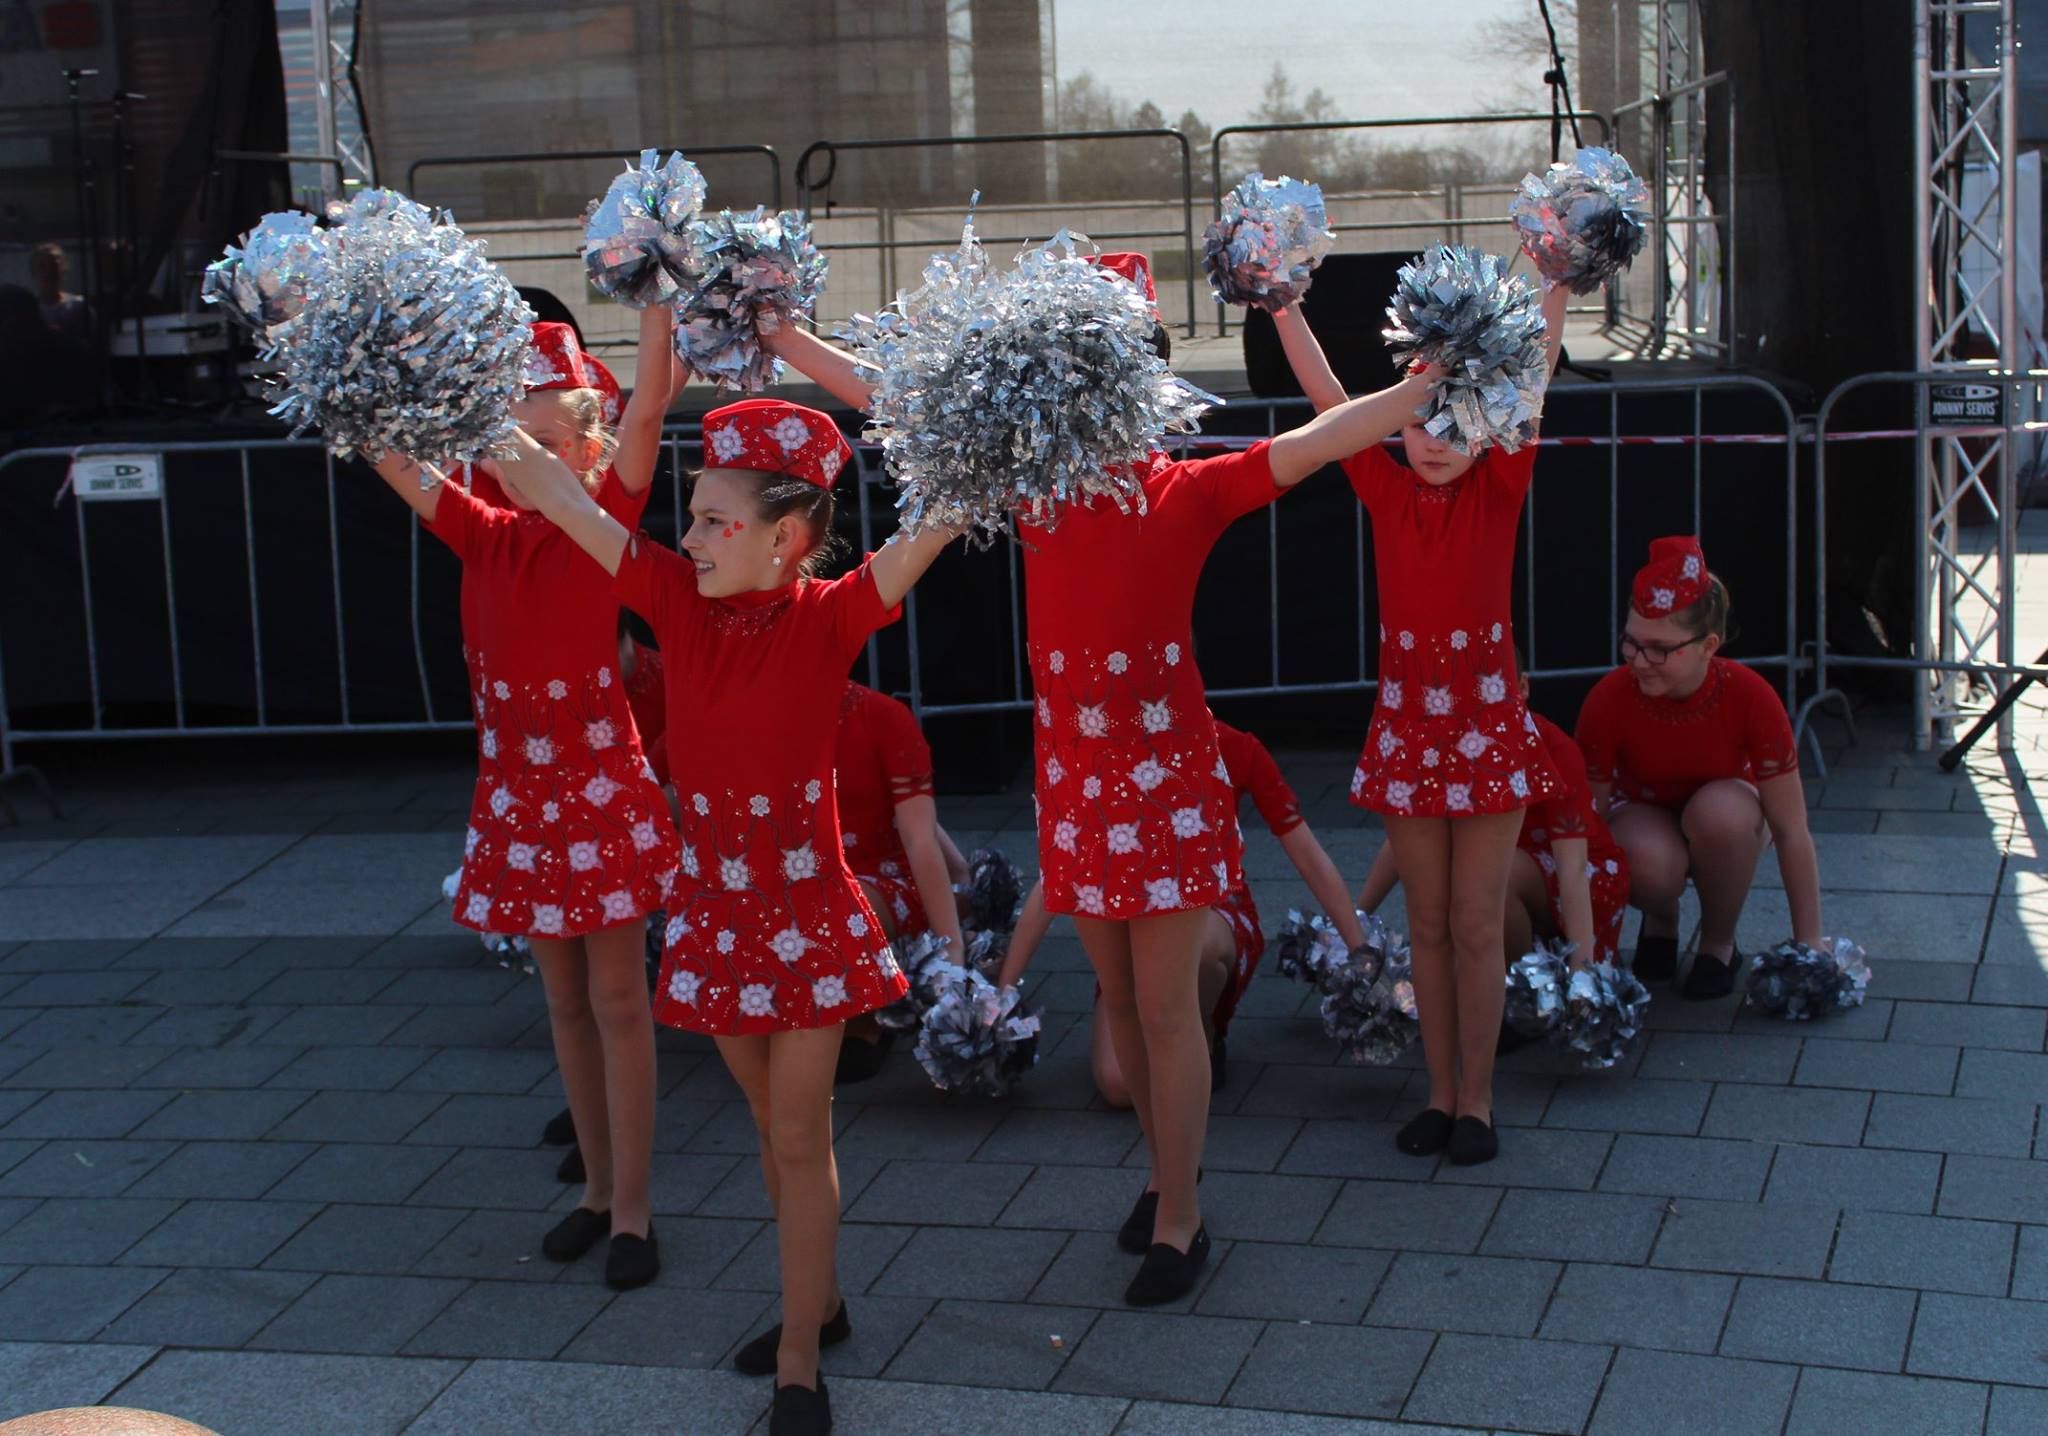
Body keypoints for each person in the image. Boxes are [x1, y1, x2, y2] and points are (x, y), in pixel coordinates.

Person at [766, 260, 1445, 1305]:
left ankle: (1180, 1212)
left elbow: (1308, 446)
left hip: (1165, 783)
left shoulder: (1184, 488)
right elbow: (898, 394)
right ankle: (1161, 1174)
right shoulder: (1031, 486)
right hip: (1079, 786)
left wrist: (1409, 396)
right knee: (1121, 1000)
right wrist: (783, 340)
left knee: (1165, 1010)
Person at [509, 389, 958, 1436]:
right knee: (769, 1127)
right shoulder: (670, 598)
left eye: (716, 520)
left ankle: (799, 1352)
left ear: (787, 537)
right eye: (692, 514)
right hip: (717, 918)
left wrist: (991, 432)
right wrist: (461, 387)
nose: (691, 535)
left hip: (807, 917)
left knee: (798, 1130)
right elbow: (547, 488)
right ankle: (826, 1300)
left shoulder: (832, 613)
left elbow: (933, 522)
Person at [370, 305, 684, 1288]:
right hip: (521, 796)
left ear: (587, 446)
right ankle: (594, 1189)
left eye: (544, 439)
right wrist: (325, 332)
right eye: (504, 439)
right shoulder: (483, 534)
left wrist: (655, 290)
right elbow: (380, 445)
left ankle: (633, 1207)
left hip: (598, 790)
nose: (518, 459)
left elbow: (647, 413)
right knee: (562, 998)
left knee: (619, 997)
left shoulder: (605, 529)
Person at [1270, 275, 1569, 1167]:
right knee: (1431, 924)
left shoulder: (1502, 482)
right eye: (1415, 421)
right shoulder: (1384, 487)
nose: (1432, 442)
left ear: (1486, 427)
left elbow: (1538, 370)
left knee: (1477, 921)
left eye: (1452, 424)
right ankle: (1439, 1095)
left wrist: (1547, 278)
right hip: (1408, 727)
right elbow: (1327, 400)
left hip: (1485, 726)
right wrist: (1283, 303)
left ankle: (1476, 1101)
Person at [998, 713, 1367, 1104]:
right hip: (1132, 925)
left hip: (1213, 911)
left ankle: (1201, 1032)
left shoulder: (1234, 745)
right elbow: (1056, 873)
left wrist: (1363, 957)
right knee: (1118, 1086)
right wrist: (999, 997)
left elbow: (1308, 856)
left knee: (1198, 949)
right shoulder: (1110, 752)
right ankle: (1156, 1036)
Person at [1574, 536, 1824, 996]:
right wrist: (1580, 953)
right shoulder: (1608, 699)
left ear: (1709, 645)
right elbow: (1584, 828)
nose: (1639, 661)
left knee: (1721, 815)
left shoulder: (1750, 695)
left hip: (1729, 812)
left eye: (1659, 649)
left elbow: (1792, 829)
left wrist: (1810, 942)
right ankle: (1662, 916)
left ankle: (1718, 943)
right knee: (1643, 858)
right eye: (1631, 643)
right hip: (1643, 813)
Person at [1360, 670, 1630, 974]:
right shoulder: (1446, 748)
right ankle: (1491, 976)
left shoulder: (1554, 749)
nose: (1475, 715)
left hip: (1576, 875)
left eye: (1488, 696)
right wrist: (1355, 923)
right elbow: (1408, 838)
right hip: (1503, 872)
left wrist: (1584, 977)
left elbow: (1573, 867)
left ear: (1523, 687)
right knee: (1451, 864)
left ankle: (1510, 980)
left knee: (1483, 873)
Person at [831, 679, 972, 1084]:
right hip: (798, 873)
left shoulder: (880, 715)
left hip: (881, 876)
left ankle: (866, 1017)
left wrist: (953, 949)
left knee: (837, 909)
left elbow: (919, 834)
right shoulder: (758, 714)